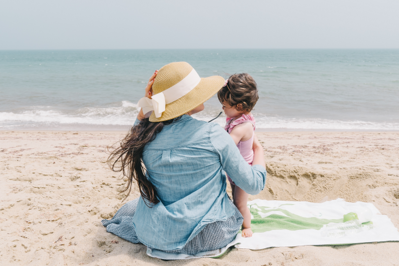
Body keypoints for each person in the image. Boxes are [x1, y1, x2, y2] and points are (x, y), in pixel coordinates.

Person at [102, 62, 266, 257]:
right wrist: (258, 149)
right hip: (209, 236)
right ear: (186, 100)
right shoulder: (213, 135)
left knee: (132, 208)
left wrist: (146, 106)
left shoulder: (145, 136)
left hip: (156, 233)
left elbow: (135, 133)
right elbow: (254, 185)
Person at [217, 73, 259, 238]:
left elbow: (226, 144)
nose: (222, 108)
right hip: (235, 170)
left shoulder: (242, 127)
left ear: (240, 106)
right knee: (236, 197)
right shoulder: (239, 118)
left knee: (240, 203)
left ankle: (247, 226)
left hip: (242, 172)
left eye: (225, 105)